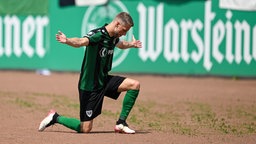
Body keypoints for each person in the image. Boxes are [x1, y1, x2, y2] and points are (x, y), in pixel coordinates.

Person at [38, 12, 142, 134]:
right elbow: (81, 41)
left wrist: (132, 44)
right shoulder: (97, 35)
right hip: (89, 85)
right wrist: (68, 41)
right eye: (124, 30)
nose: (124, 34)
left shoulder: (114, 36)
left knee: (134, 85)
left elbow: (120, 44)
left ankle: (121, 123)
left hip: (103, 80)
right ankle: (55, 117)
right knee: (85, 129)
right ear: (117, 24)